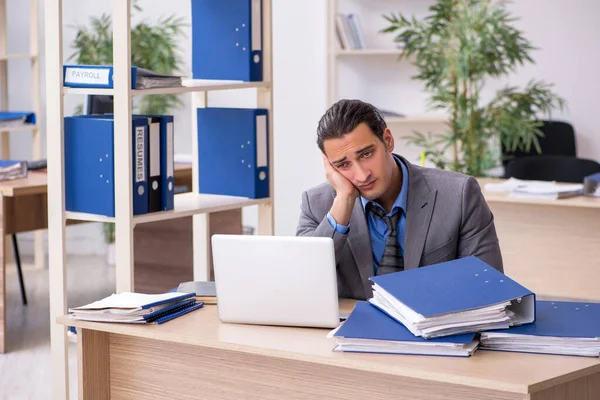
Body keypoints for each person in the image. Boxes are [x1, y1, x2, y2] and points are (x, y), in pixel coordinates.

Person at [296, 99, 503, 300]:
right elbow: (302, 285)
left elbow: (488, 287)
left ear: (388, 140)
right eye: (343, 165)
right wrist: (343, 200)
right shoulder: (316, 205)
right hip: (351, 331)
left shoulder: (459, 194)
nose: (361, 175)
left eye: (367, 154)